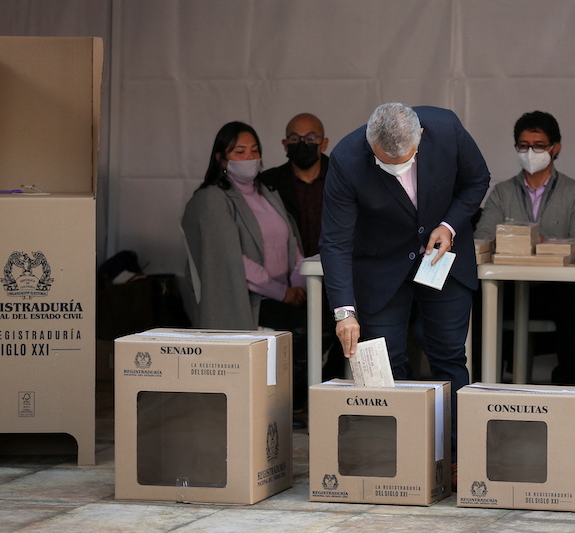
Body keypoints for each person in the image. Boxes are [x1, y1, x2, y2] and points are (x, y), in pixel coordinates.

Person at [319, 102, 491, 486]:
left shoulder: (446, 128)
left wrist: (450, 225)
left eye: (405, 160)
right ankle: (403, 459)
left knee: (449, 355)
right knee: (386, 363)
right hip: (380, 266)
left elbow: (477, 180)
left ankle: (456, 457)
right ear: (370, 144)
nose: (397, 168)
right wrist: (344, 312)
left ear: (421, 138)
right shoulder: (347, 158)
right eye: (385, 162)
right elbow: (335, 240)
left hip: (442, 258)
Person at [181, 121, 309, 423]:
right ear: (221, 158)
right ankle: (269, 414)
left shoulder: (268, 193)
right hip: (250, 302)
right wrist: (282, 292)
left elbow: (293, 243)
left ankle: (289, 409)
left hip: (285, 295)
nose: (249, 158)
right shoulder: (212, 198)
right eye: (239, 152)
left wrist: (298, 284)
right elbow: (230, 260)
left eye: (254, 151)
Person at [474, 111, 575, 385]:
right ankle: (484, 386)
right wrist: (519, 241)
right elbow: (483, 237)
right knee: (477, 300)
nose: (530, 153)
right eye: (523, 146)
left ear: (555, 148)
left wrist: (537, 243)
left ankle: (564, 391)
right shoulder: (502, 192)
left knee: (574, 303)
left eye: (539, 146)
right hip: (509, 286)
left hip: (556, 288)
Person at [260, 113, 346, 379]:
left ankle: (327, 387)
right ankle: (297, 392)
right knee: (295, 335)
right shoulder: (267, 183)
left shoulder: (344, 178)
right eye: (295, 138)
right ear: (285, 144)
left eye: (311, 138)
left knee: (344, 329)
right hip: (286, 283)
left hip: (338, 277)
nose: (303, 144)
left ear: (324, 143)